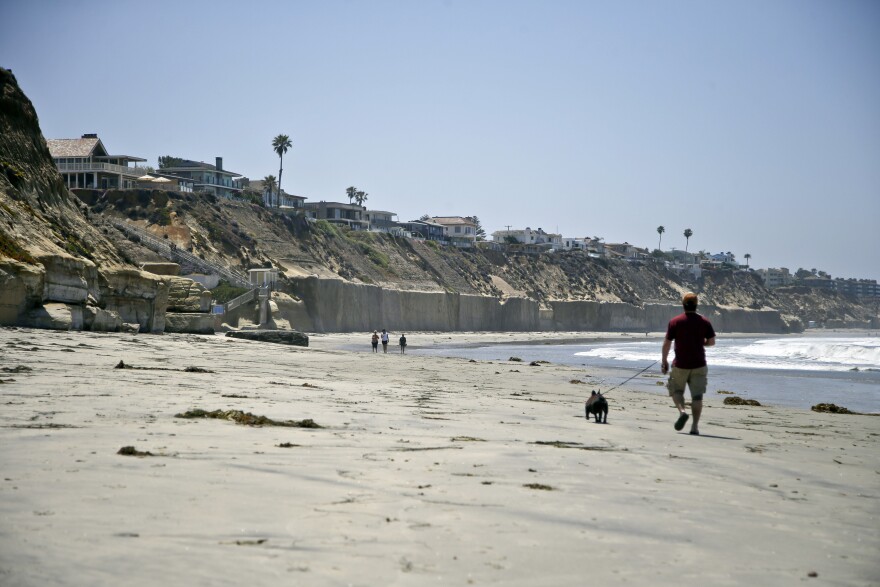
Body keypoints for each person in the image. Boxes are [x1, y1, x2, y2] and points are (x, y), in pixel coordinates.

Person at [661, 292, 716, 435]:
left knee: (676, 391)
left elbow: (667, 343)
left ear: (683, 305)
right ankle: (695, 427)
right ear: (696, 305)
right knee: (697, 397)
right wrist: (701, 343)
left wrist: (664, 361)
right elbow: (711, 342)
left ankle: (682, 411)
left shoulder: (675, 321)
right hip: (699, 364)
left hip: (680, 365)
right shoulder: (704, 321)